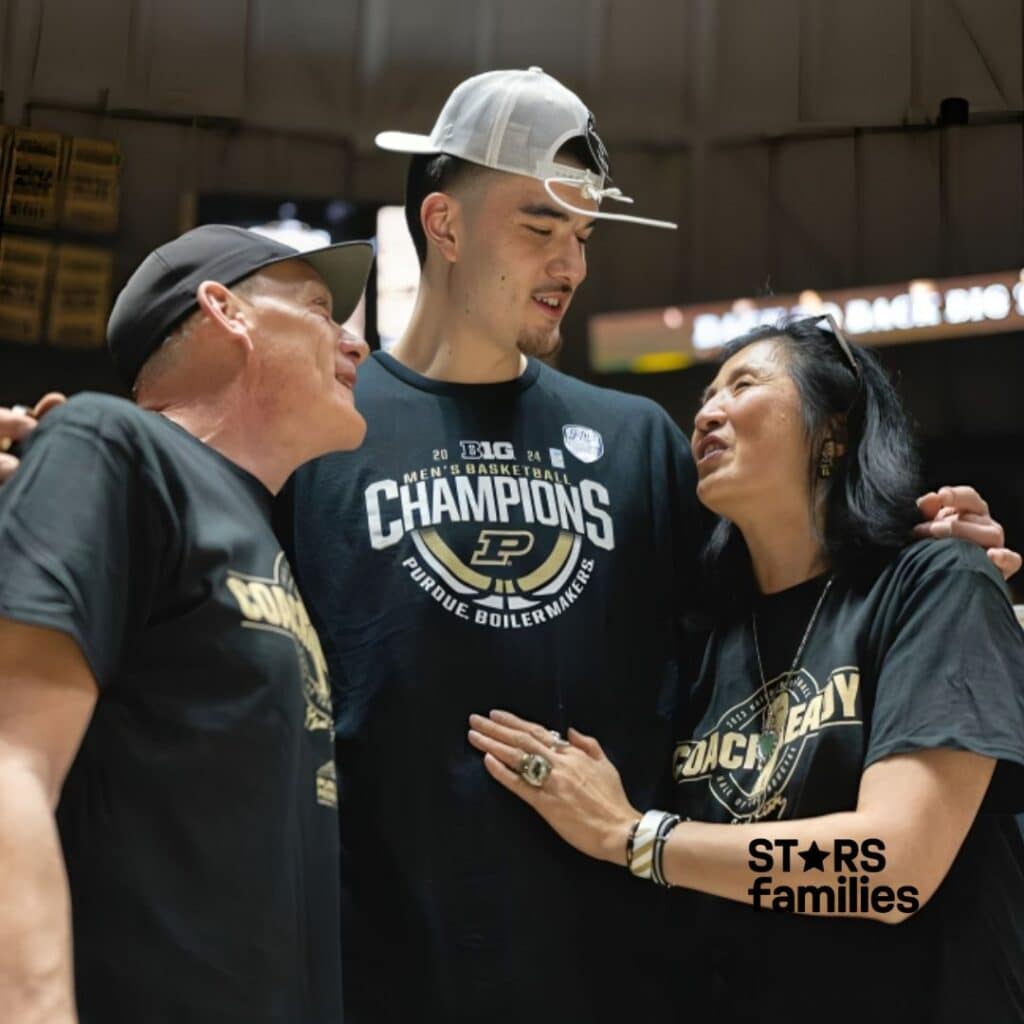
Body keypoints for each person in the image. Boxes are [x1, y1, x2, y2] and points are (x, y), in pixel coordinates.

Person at [2, 69, 1016, 1023]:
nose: (571, 263)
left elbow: (792, 593)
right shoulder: (321, 431)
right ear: (442, 221)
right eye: (540, 226)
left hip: (622, 974)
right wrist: (56, 484)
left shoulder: (640, 440)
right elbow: (180, 614)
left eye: (582, 232)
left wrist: (912, 544)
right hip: (372, 974)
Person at [467, 316, 1024, 1022]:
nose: (706, 411)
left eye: (745, 383)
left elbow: (893, 871)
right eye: (704, 395)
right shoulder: (703, 636)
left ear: (835, 429)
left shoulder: (934, 583)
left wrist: (636, 838)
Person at [0, 224, 373, 1024]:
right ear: (225, 310)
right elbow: (8, 760)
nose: (356, 345)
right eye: (318, 308)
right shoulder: (112, 446)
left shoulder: (263, 536)